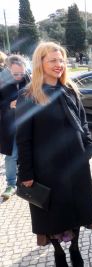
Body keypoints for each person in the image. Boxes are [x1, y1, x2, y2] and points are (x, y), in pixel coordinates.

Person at [16, 42, 92, 267]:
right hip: (47, 169)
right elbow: (23, 139)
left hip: (76, 164)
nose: (59, 64)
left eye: (61, 60)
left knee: (77, 210)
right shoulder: (29, 96)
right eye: (53, 60)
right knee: (53, 215)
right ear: (40, 62)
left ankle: (74, 247)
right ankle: (58, 251)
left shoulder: (69, 90)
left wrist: (88, 148)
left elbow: (83, 122)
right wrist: (27, 173)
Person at [0, 55, 29, 199]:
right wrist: (8, 105)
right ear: (8, 69)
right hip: (9, 126)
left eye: (21, 74)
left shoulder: (28, 78)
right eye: (15, 74)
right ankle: (11, 184)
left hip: (27, 123)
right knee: (12, 155)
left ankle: (28, 179)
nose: (19, 77)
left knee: (30, 152)